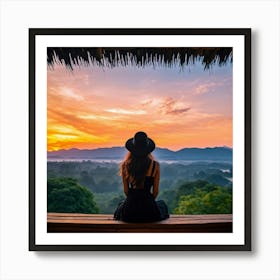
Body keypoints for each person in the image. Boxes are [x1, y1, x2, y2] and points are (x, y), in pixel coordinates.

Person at [114, 131, 169, 222]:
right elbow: (155, 192)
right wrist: (147, 202)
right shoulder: (155, 166)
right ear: (148, 149)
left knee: (121, 205)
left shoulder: (125, 165)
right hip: (149, 211)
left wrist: (134, 201)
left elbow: (126, 191)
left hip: (130, 211)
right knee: (162, 205)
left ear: (132, 149)